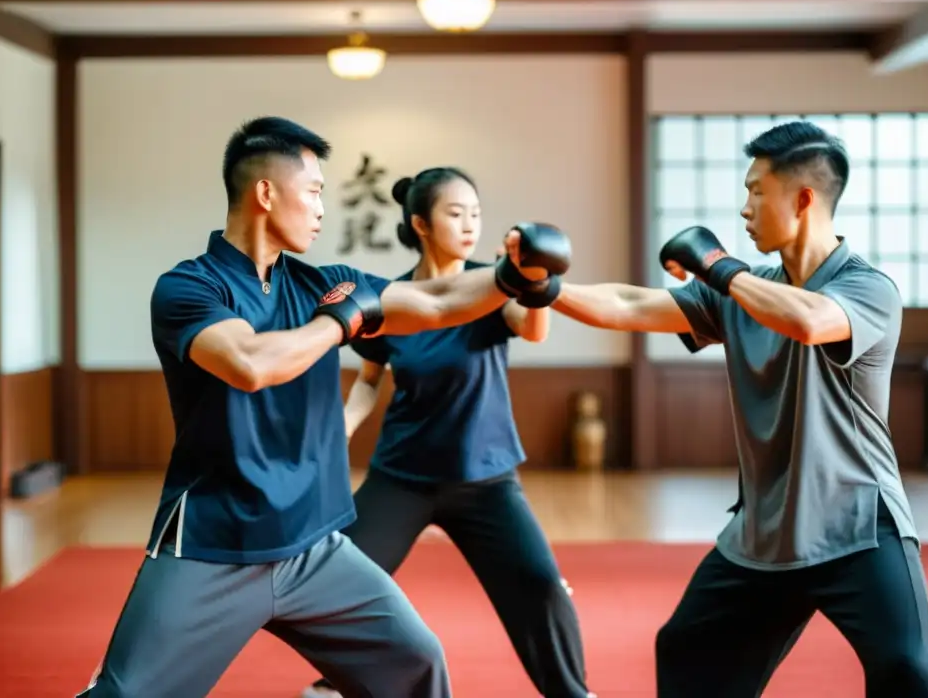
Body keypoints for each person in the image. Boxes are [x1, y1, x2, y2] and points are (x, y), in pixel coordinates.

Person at [75, 116, 572, 698]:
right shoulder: (189, 288)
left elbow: (436, 301)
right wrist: (340, 321)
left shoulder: (325, 283)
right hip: (216, 545)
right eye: (312, 191)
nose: (320, 208)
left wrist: (516, 277)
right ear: (265, 192)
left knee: (416, 664)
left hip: (315, 547)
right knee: (126, 693)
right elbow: (251, 364)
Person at [549, 121, 928, 697]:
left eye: (755, 191)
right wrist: (544, 291)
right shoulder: (744, 291)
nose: (744, 207)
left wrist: (721, 268)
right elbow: (629, 304)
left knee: (909, 671)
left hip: (858, 526)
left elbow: (809, 321)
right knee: (688, 648)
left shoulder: (867, 288)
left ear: (803, 199)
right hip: (767, 530)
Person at [302, 167, 594, 698]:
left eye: (476, 215)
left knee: (541, 585)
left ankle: (573, 694)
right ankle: (333, 686)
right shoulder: (391, 298)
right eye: (455, 214)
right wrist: (341, 428)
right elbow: (370, 380)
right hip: (404, 475)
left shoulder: (492, 283)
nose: (469, 225)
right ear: (420, 223)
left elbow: (532, 327)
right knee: (339, 583)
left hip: (485, 476)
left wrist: (533, 276)